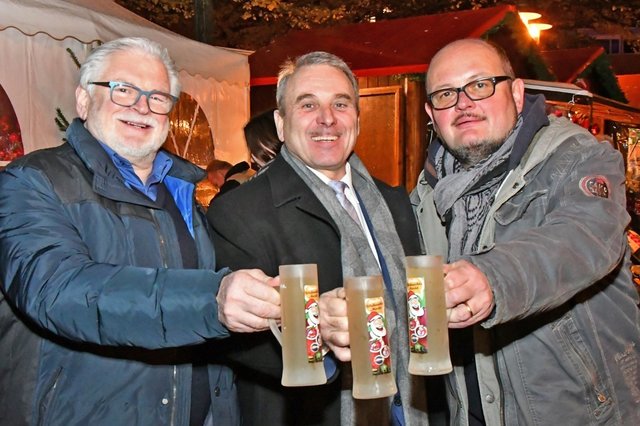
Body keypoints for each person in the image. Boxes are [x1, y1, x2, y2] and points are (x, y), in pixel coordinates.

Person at [0, 37, 281, 426]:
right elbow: (60, 291)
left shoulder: (182, 190)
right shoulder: (33, 182)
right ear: (84, 100)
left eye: (157, 96)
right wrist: (209, 300)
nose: (141, 106)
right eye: (123, 90)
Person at [411, 38, 640, 425]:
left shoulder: (578, 158)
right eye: (447, 94)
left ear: (517, 94)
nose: (464, 103)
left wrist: (491, 278)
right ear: (431, 113)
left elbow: (582, 237)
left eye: (480, 85)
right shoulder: (427, 193)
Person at [207, 51, 428, 425]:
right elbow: (236, 338)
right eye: (307, 104)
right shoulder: (240, 211)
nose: (327, 118)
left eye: (340, 104)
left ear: (357, 119)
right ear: (280, 124)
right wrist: (315, 332)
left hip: (410, 409)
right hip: (312, 413)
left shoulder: (394, 202)